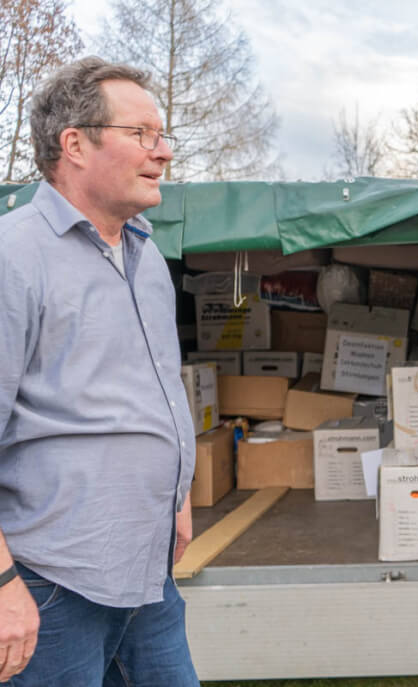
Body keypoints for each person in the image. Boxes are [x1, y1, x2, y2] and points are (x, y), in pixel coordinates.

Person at [0, 57, 199, 685]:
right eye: (141, 134)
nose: (162, 152)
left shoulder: (146, 255)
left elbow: (156, 392)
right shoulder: (15, 257)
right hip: (51, 584)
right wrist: (3, 583)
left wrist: (178, 495)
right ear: (75, 144)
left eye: (163, 136)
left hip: (148, 573)